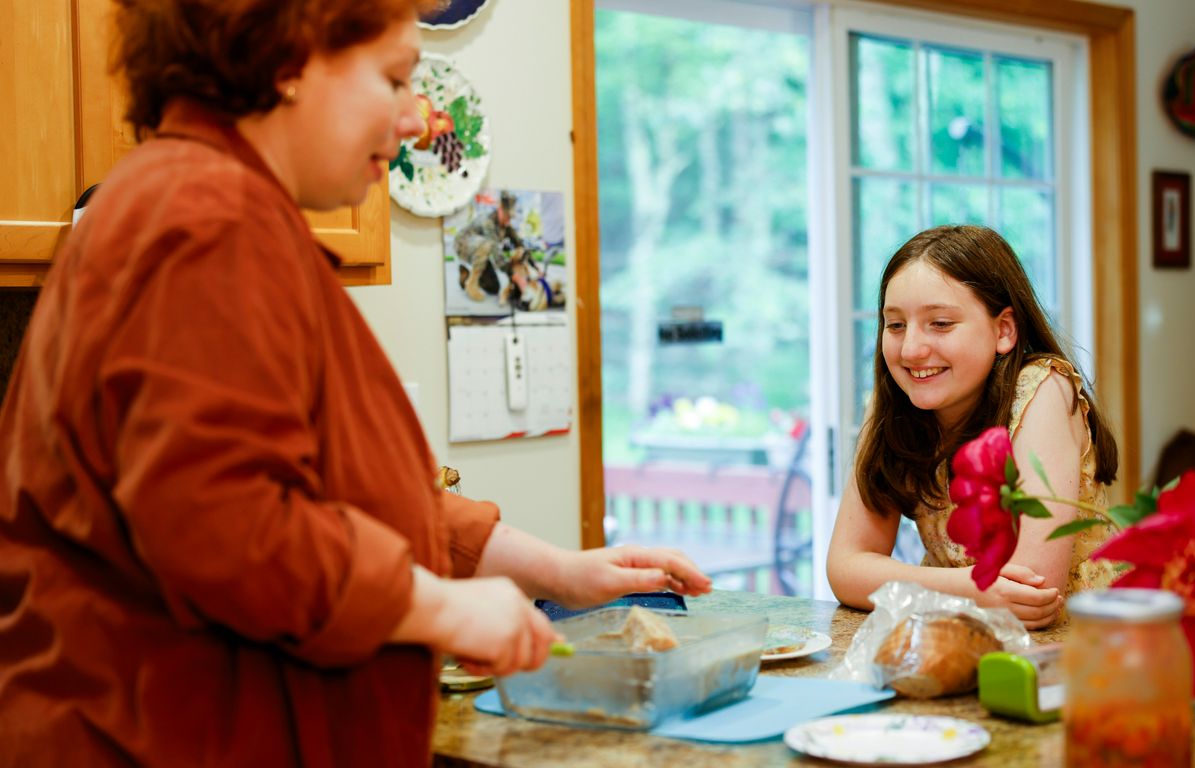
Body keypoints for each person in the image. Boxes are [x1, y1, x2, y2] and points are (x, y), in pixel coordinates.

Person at [0, 2, 710, 765]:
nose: (418, 119)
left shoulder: (205, 206)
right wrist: (438, 607)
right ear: (291, 56)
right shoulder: (206, 222)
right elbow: (225, 525)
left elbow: (331, 498)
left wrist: (560, 573)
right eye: (396, 76)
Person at [826, 225, 1118, 629]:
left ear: (1003, 330)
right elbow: (845, 568)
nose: (910, 349)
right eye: (895, 325)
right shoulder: (892, 401)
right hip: (962, 636)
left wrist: (917, 585)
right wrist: (975, 589)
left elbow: (1033, 590)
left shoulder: (1043, 390)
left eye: (940, 323)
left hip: (1079, 650)